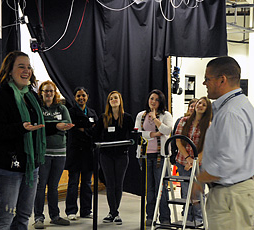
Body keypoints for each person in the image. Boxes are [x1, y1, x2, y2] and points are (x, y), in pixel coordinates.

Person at [193, 56, 254, 230]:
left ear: (222, 79)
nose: (204, 83)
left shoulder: (230, 113)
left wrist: (200, 180)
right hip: (236, 192)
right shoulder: (239, 105)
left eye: (207, 79)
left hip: (231, 195)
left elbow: (229, 160)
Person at [0, 51, 46, 230]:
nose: (26, 70)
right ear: (9, 70)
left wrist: (54, 127)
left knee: (23, 218)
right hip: (6, 168)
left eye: (28, 67)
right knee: (3, 219)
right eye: (21, 66)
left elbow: (36, 126)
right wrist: (22, 128)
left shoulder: (31, 96)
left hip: (30, 167)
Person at [33, 80, 74, 229]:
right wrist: (56, 126)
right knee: (40, 186)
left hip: (60, 153)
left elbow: (67, 125)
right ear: (41, 93)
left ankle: (55, 216)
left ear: (54, 93)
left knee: (54, 187)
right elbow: (38, 127)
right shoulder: (38, 108)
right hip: (43, 153)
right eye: (46, 91)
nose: (48, 94)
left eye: (51, 91)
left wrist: (51, 126)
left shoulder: (62, 108)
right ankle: (38, 217)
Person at [95, 91, 134, 225]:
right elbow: (96, 134)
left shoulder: (127, 118)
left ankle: (114, 212)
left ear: (120, 100)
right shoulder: (103, 117)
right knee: (110, 184)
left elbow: (132, 135)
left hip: (121, 155)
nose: (113, 100)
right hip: (106, 156)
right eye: (111, 98)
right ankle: (114, 212)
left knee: (119, 184)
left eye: (115, 98)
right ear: (108, 102)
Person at [135, 89, 173, 226]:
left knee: (161, 188)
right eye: (151, 98)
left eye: (156, 99)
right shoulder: (141, 115)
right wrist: (153, 135)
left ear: (160, 101)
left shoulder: (166, 115)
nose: (153, 101)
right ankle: (150, 216)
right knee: (149, 189)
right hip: (145, 155)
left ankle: (165, 218)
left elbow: (167, 131)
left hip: (160, 156)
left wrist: (155, 119)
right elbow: (139, 133)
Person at [175, 96, 212, 223]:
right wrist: (187, 159)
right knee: (185, 192)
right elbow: (178, 141)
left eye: (204, 105)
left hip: (200, 163)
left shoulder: (208, 125)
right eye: (199, 103)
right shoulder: (183, 121)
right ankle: (187, 219)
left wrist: (194, 162)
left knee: (197, 193)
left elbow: (207, 147)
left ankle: (198, 220)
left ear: (207, 109)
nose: (200, 105)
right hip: (182, 161)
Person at [65, 87, 98, 220]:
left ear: (87, 96)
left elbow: (96, 131)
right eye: (78, 96)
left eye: (83, 95)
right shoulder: (70, 112)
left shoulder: (92, 112)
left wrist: (84, 130)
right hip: (75, 152)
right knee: (73, 183)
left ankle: (86, 210)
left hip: (88, 153)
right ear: (74, 98)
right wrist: (87, 130)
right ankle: (71, 211)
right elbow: (72, 130)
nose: (81, 98)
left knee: (87, 183)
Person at [170, 98, 198, 164]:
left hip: (197, 160)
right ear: (188, 108)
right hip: (182, 159)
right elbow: (175, 139)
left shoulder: (203, 123)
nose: (193, 108)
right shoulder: (181, 121)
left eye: (195, 106)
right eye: (191, 106)